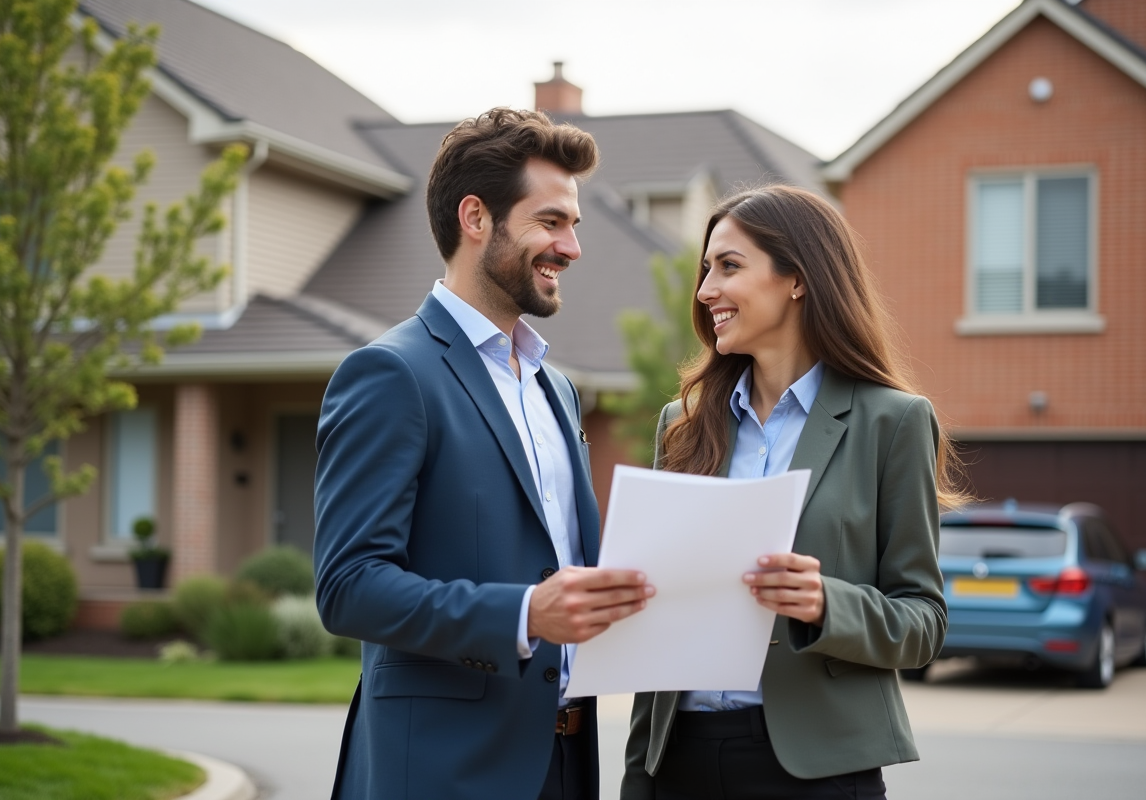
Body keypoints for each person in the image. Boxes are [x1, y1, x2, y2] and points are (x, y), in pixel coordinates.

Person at [314, 108, 654, 800]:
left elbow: (560, 568)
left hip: (563, 762)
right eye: (551, 222)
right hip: (443, 773)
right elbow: (348, 586)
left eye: (574, 225)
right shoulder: (391, 374)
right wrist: (524, 614)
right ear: (476, 219)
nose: (572, 247)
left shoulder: (556, 389)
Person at [622, 185, 961, 800]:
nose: (705, 291)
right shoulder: (683, 423)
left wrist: (822, 602)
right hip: (680, 765)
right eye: (706, 271)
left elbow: (924, 622)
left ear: (797, 279)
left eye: (728, 266)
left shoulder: (893, 422)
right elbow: (660, 629)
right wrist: (639, 777)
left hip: (818, 770)